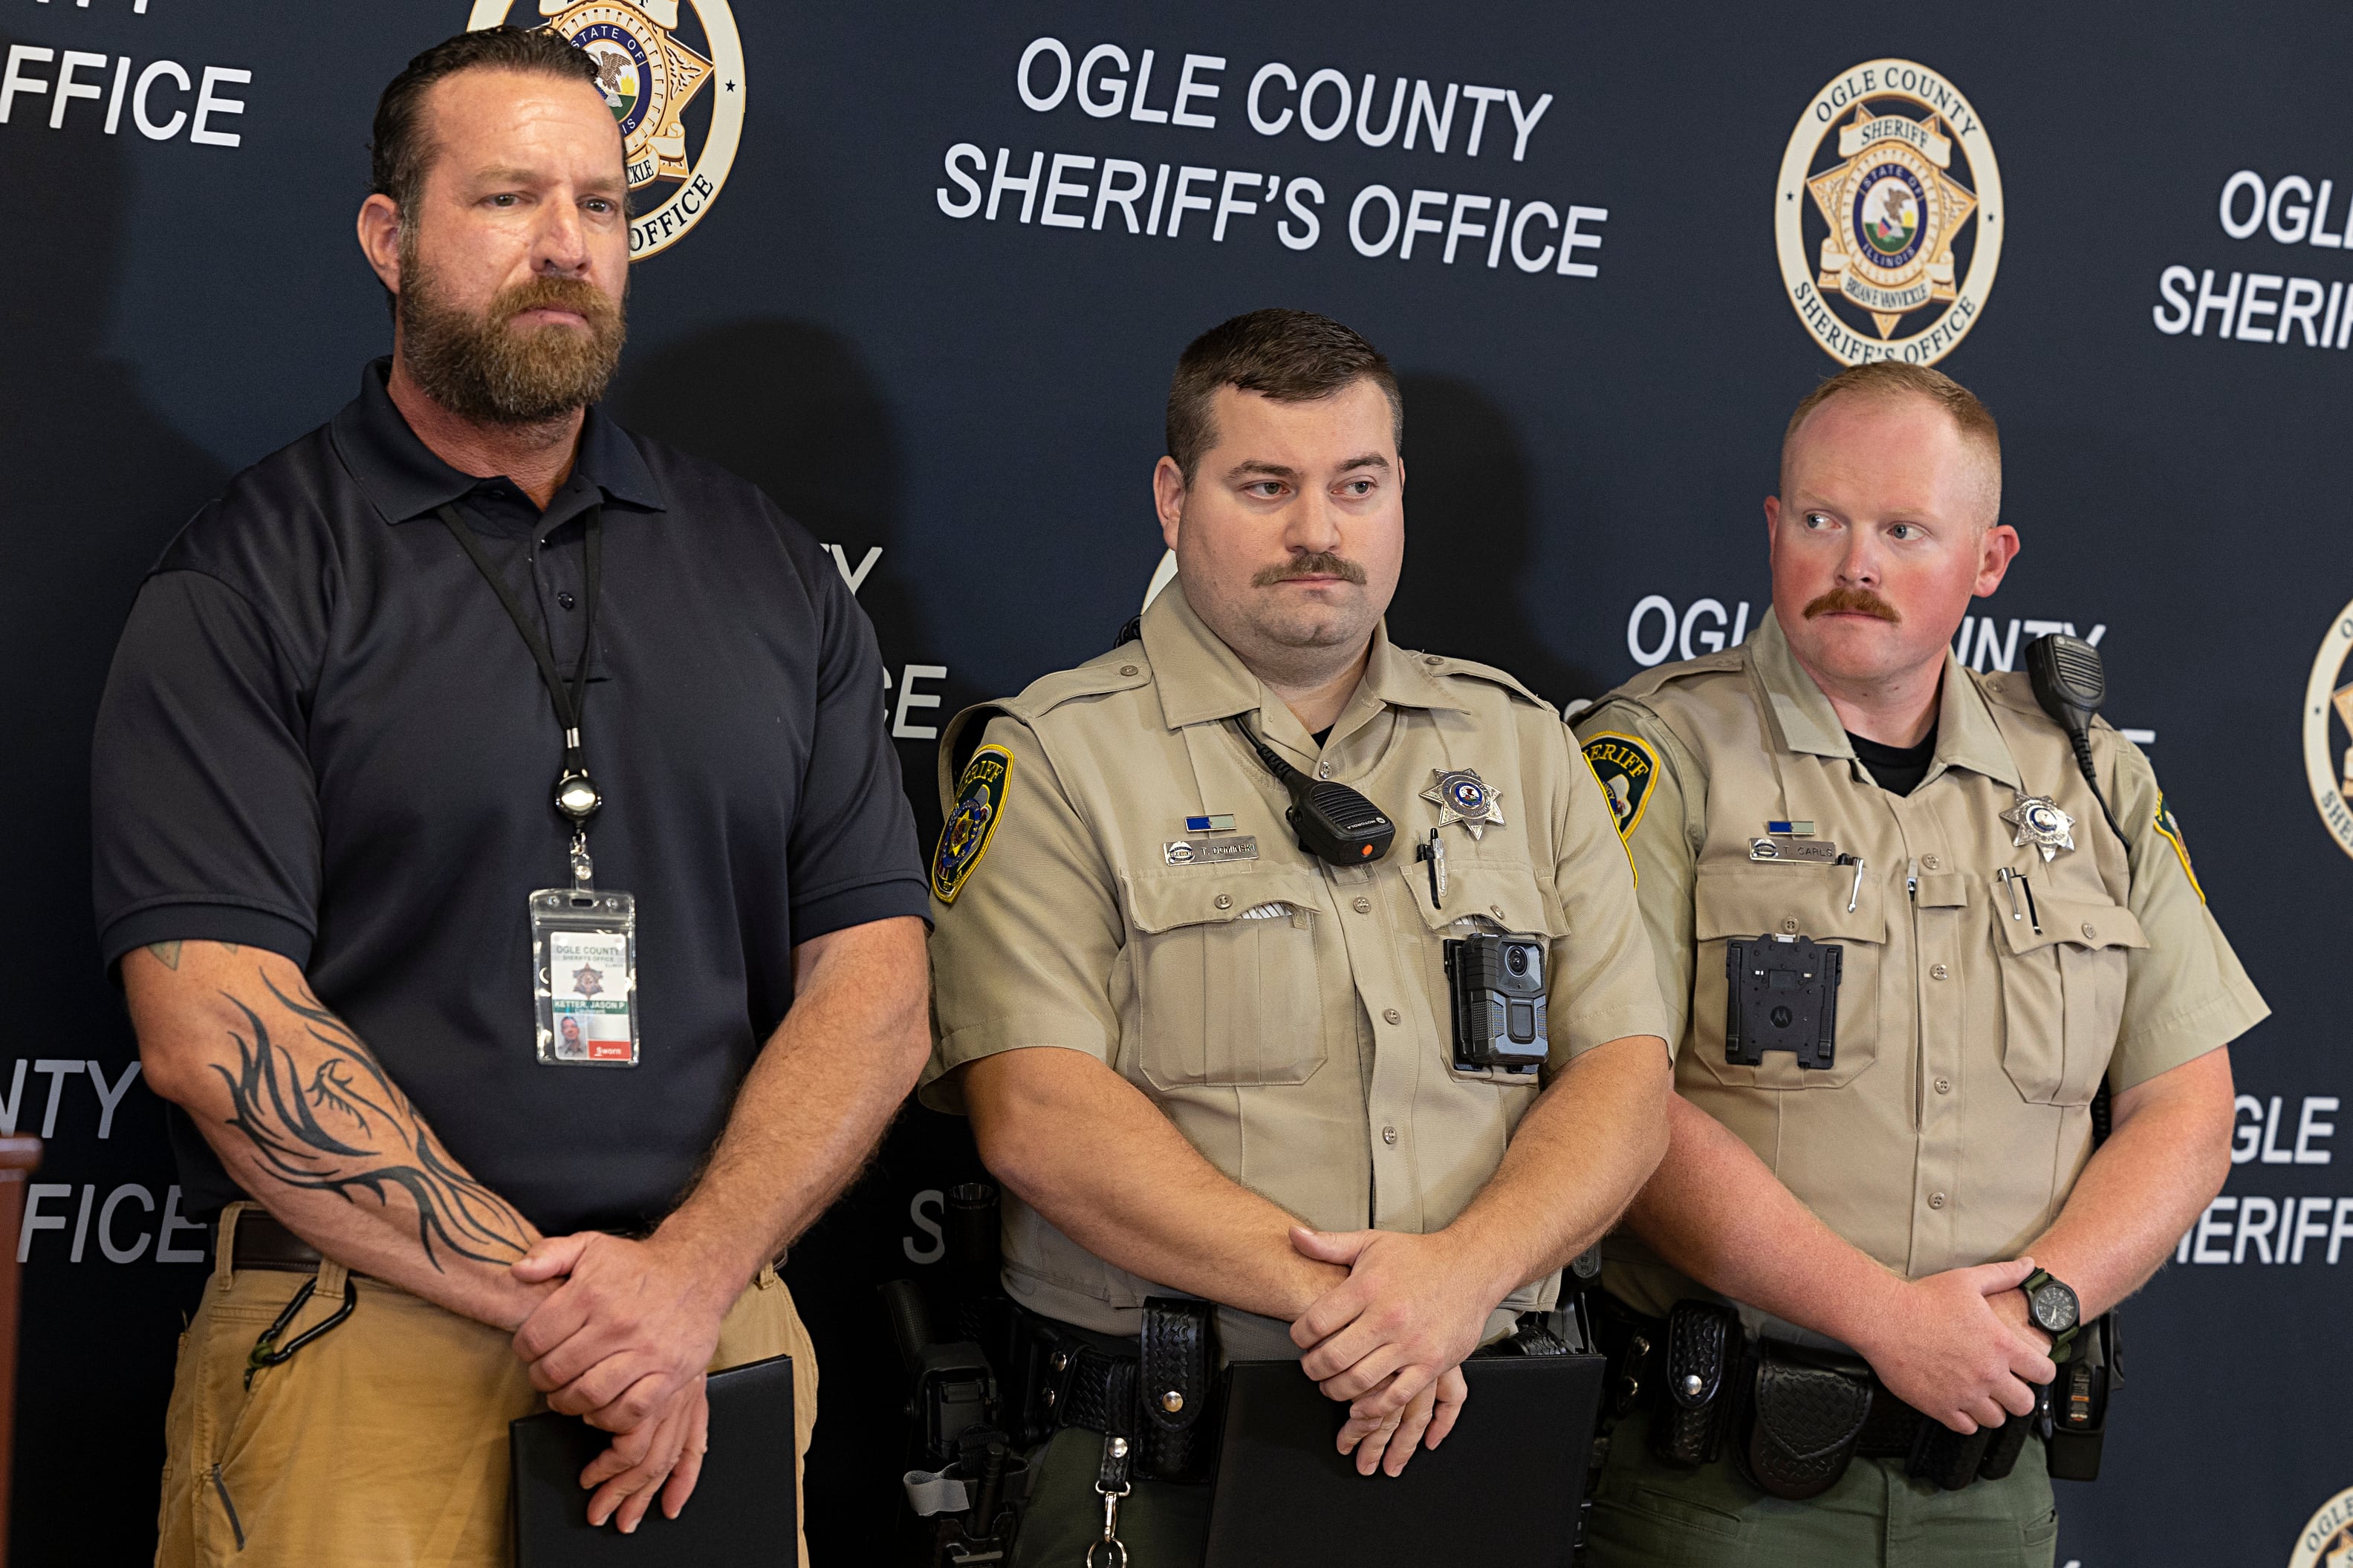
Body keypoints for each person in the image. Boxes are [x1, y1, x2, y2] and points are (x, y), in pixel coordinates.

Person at [90, 27, 930, 1568]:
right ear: (388, 236)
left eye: (602, 207)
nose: (566, 247)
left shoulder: (769, 573)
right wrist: (573, 1306)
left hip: (705, 1348)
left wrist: (681, 1287)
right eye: (508, 200)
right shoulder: (252, 573)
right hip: (364, 1351)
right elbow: (214, 1027)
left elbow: (874, 991)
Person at [921, 308, 1674, 1564]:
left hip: (1476, 1431)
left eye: (1357, 486)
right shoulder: (1056, 756)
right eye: (1264, 485)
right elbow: (1038, 1116)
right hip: (1162, 1469)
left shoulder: (1526, 747)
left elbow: (1626, 1083)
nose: (1318, 532)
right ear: (1173, 498)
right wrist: (1365, 1308)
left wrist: (1460, 1278)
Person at [1572, 360, 2265, 1564]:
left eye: (1904, 529)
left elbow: (2187, 1107)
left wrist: (2034, 1309)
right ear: (1773, 528)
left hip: (1990, 1480)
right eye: (1823, 520)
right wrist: (1886, 1320)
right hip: (1723, 1490)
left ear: (1990, 560)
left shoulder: (2093, 777)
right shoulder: (1658, 753)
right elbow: (1615, 1102)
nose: (1857, 565)